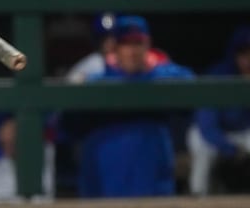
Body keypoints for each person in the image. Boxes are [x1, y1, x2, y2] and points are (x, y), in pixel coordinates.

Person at [77, 15, 193, 197]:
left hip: (151, 166)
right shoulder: (97, 79)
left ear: (148, 45)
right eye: (126, 44)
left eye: (138, 43)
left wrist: (157, 68)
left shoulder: (163, 74)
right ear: (114, 48)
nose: (132, 51)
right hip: (108, 168)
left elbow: (187, 83)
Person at [188, 26, 250, 196]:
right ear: (235, 55)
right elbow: (207, 126)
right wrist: (230, 149)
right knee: (203, 150)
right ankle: (198, 196)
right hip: (213, 134)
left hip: (243, 133)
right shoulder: (219, 76)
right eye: (244, 54)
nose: (248, 60)